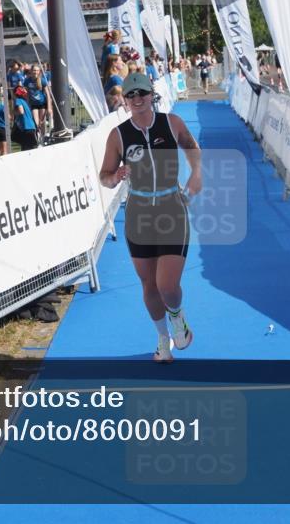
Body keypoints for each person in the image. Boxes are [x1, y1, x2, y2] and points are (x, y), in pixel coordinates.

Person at [99, 72, 202, 363]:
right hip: (139, 214)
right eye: (131, 95)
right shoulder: (118, 135)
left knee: (167, 285)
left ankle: (177, 318)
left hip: (172, 208)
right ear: (125, 100)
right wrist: (115, 176)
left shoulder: (171, 123)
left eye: (142, 92)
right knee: (149, 285)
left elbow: (192, 147)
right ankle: (162, 338)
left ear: (151, 94)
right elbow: (104, 177)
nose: (137, 99)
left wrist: (196, 173)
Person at [25, 63, 51, 140]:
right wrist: (27, 105)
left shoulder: (42, 80)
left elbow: (48, 94)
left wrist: (49, 107)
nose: (35, 72)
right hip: (33, 104)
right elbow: (26, 94)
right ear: (31, 71)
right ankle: (38, 138)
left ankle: (43, 138)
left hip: (42, 104)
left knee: (42, 122)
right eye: (34, 70)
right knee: (35, 123)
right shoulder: (27, 81)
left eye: (37, 70)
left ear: (39, 71)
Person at [11, 85, 38, 150]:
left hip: (26, 127)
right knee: (30, 148)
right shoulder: (25, 102)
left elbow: (21, 111)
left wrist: (12, 112)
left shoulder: (18, 100)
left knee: (25, 148)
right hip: (31, 127)